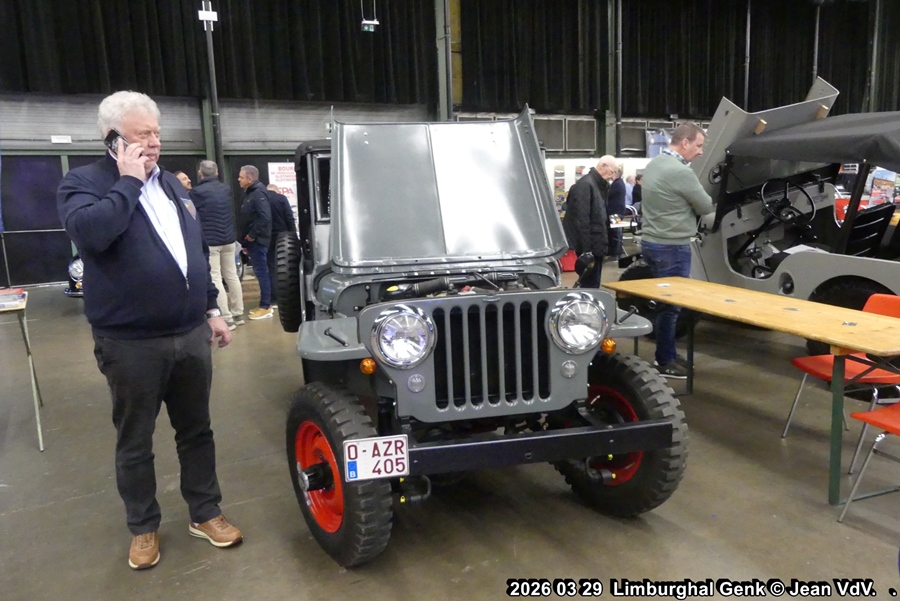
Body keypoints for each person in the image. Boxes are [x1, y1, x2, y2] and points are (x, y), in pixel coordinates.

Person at [56, 91, 242, 571]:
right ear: (113, 139)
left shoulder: (175, 186)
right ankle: (143, 526)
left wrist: (211, 308)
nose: (155, 142)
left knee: (196, 431)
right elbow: (92, 234)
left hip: (190, 334)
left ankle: (205, 512)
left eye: (157, 133)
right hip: (130, 344)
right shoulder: (83, 183)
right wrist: (129, 181)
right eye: (143, 135)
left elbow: (193, 252)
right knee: (135, 441)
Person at [640, 122, 715, 379]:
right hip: (672, 246)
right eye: (698, 145)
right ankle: (665, 360)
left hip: (652, 242)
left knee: (665, 304)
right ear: (685, 143)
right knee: (671, 307)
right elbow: (705, 205)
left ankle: (668, 352)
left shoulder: (655, 164)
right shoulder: (681, 172)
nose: (701, 151)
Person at [191, 160, 245, 329]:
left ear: (200, 173)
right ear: (216, 173)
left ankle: (226, 317)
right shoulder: (226, 189)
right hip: (229, 239)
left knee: (215, 277)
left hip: (211, 242)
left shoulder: (196, 192)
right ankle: (238, 313)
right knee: (232, 275)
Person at [561, 156, 617, 288]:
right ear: (603, 165)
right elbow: (582, 219)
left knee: (594, 283)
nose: (613, 176)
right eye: (612, 172)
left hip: (596, 244)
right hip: (590, 246)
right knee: (590, 284)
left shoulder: (597, 185)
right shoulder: (586, 185)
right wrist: (586, 251)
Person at [237, 165, 273, 320]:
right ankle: (264, 304)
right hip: (252, 241)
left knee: (261, 272)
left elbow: (265, 217)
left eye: (241, 177)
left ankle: (266, 306)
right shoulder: (250, 193)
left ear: (250, 179)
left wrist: (252, 235)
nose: (238, 179)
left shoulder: (258, 194)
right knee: (260, 272)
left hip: (258, 240)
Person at [266, 184, 297, 307]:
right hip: (283, 237)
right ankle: (286, 296)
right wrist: (293, 236)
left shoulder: (262, 199)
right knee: (285, 266)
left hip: (268, 236)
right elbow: (289, 218)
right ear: (277, 190)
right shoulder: (281, 198)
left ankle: (273, 298)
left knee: (271, 267)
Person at [606, 163, 627, 259]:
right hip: (617, 212)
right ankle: (616, 252)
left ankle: (616, 254)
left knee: (615, 233)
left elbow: (608, 196)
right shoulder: (619, 183)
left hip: (615, 212)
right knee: (615, 233)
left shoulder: (617, 184)